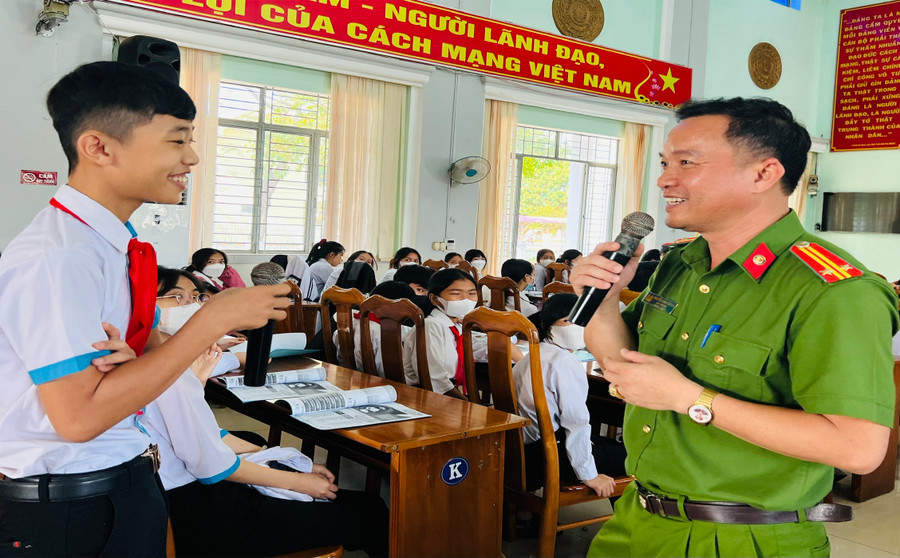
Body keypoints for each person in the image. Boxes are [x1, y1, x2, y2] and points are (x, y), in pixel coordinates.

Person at [571, 97, 898, 558]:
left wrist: (692, 398)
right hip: (638, 516)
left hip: (743, 537)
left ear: (764, 174)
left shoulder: (834, 290)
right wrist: (603, 302)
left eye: (688, 162)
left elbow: (858, 449)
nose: (665, 178)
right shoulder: (680, 263)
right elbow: (620, 364)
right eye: (666, 162)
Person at [0, 61, 290, 557]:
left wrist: (137, 363)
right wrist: (212, 320)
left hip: (124, 477)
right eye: (177, 140)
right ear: (98, 147)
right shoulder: (59, 257)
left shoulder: (113, 245)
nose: (193, 157)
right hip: (73, 504)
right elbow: (79, 418)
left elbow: (142, 370)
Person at [98, 330, 390, 557]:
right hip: (196, 514)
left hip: (174, 502)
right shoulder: (163, 370)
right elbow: (212, 465)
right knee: (368, 511)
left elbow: (206, 437)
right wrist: (295, 481)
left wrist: (273, 458)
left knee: (259, 450)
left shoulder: (136, 367)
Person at [515, 293, 626, 497]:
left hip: (523, 451)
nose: (579, 326)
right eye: (569, 320)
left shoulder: (535, 352)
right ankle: (624, 526)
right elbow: (576, 424)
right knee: (627, 458)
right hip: (549, 455)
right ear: (549, 325)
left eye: (584, 319)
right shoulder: (564, 361)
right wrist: (589, 475)